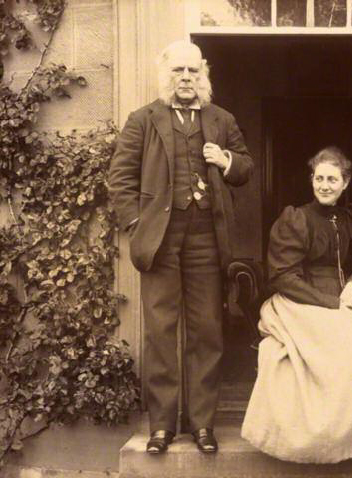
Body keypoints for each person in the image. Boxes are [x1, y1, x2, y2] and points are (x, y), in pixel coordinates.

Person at [108, 40, 253, 455]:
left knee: (207, 330)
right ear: (166, 76)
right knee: (160, 332)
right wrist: (138, 225)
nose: (186, 79)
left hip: (207, 237)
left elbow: (245, 166)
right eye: (178, 72)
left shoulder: (221, 119)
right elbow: (120, 180)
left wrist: (225, 159)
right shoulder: (143, 120)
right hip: (160, 241)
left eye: (193, 71)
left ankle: (202, 425)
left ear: (203, 76)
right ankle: (162, 427)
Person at [241, 147, 352, 464]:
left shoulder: (351, 217)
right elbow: (283, 277)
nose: (325, 185)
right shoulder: (296, 219)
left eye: (332, 179)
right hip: (297, 301)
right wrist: (330, 303)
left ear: (345, 183)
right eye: (319, 178)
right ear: (311, 180)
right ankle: (320, 440)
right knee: (330, 351)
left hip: (344, 300)